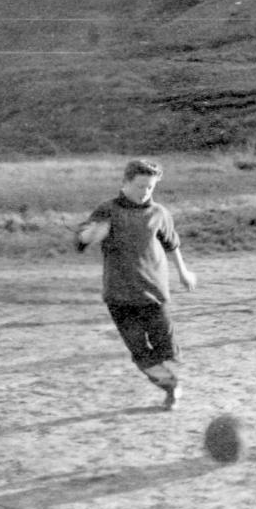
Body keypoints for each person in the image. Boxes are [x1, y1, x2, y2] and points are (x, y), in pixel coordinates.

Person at [76, 159, 197, 409]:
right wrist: (89, 236)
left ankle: (172, 382)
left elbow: (172, 244)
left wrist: (183, 272)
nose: (145, 193)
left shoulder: (159, 213)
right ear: (125, 183)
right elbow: (81, 239)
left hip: (154, 293)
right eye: (141, 186)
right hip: (119, 297)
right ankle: (170, 387)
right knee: (140, 353)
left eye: (151, 187)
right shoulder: (107, 210)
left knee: (168, 351)